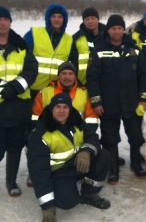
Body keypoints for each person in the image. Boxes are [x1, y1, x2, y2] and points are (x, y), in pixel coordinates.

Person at [86, 14, 146, 184]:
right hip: (108, 104)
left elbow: (144, 77)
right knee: (109, 138)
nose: (117, 31)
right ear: (108, 30)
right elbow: (92, 78)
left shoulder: (134, 50)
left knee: (136, 136)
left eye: (120, 28)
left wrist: (143, 99)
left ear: (124, 30)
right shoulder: (98, 50)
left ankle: (136, 164)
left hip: (131, 103)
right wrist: (96, 102)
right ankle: (112, 169)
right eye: (113, 28)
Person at [27, 93, 111, 221]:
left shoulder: (76, 122)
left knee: (103, 155)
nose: (61, 111)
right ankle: (60, 190)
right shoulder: (39, 135)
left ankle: (89, 194)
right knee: (67, 203)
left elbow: (92, 137)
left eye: (65, 107)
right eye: (58, 107)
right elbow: (39, 172)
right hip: (58, 172)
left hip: (77, 164)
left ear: (70, 109)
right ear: (51, 109)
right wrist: (47, 206)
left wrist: (86, 152)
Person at [0, 6, 38, 196]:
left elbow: (31, 70)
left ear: (10, 22)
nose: (2, 22)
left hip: (18, 107)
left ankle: (11, 182)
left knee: (15, 147)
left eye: (5, 19)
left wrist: (14, 87)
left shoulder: (22, 45)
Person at [24, 3, 74, 100]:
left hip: (55, 89)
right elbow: (22, 56)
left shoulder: (69, 40)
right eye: (53, 16)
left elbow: (70, 64)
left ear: (64, 20)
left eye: (60, 17)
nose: (56, 19)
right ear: (48, 18)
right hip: (33, 87)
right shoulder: (34, 33)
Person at [32, 61, 99, 131]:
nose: (67, 77)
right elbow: (36, 117)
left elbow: (91, 120)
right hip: (49, 135)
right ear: (58, 75)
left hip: (76, 136)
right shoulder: (45, 92)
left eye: (70, 74)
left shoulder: (85, 94)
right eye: (64, 73)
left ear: (75, 76)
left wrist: (84, 136)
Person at [72, 7, 106, 85]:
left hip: (105, 84)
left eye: (93, 18)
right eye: (87, 19)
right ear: (83, 22)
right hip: (83, 84)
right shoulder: (76, 38)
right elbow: (74, 63)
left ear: (98, 19)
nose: (90, 21)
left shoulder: (108, 36)